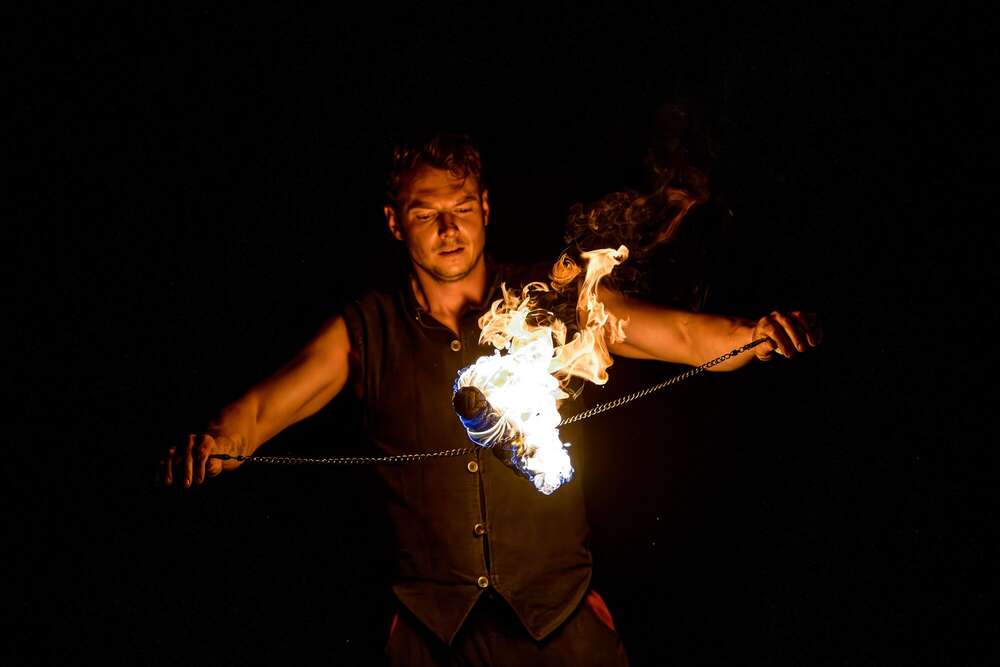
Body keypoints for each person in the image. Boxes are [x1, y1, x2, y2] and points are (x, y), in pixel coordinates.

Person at [162, 132, 821, 665]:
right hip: (430, 637)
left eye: (462, 207)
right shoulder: (366, 329)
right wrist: (217, 443)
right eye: (426, 213)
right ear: (395, 222)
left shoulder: (549, 299)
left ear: (486, 207)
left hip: (562, 624)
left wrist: (751, 335)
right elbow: (255, 413)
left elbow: (675, 331)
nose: (448, 228)